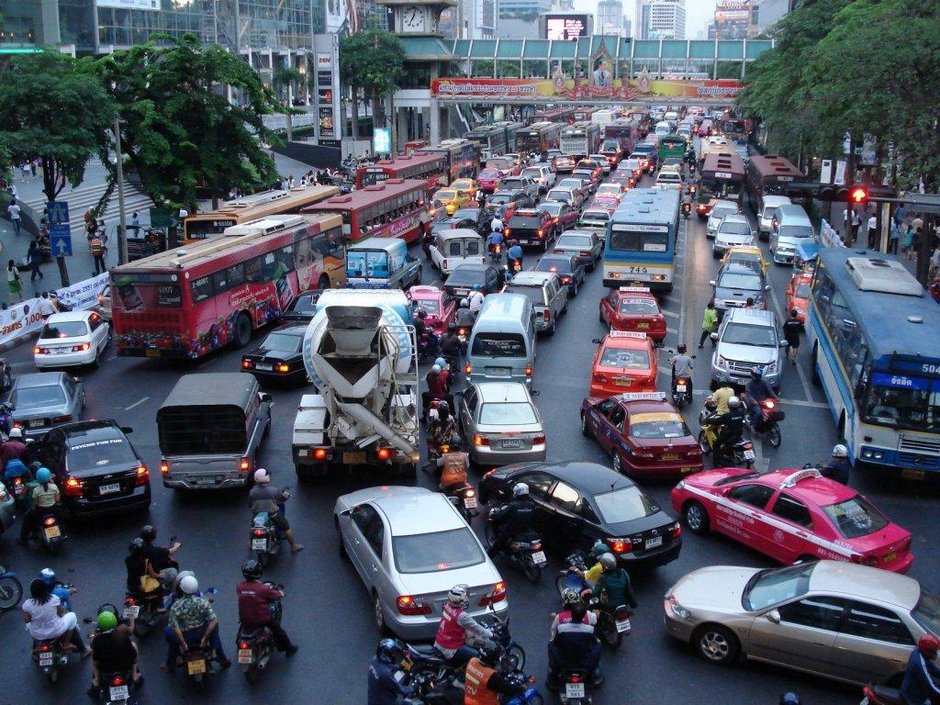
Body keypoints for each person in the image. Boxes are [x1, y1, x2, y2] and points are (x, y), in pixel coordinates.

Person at [162, 574, 230, 672]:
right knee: (214, 624)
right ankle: (219, 656)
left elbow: (174, 627)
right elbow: (214, 621)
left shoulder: (176, 606)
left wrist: (183, 643)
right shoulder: (203, 602)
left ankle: (171, 663)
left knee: (168, 631)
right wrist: (205, 637)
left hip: (185, 636)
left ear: (181, 589)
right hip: (201, 633)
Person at [235, 560, 298, 657]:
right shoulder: (262, 589)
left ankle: (238, 647)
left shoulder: (239, 586)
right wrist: (281, 592)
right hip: (261, 619)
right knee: (278, 630)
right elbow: (276, 595)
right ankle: (289, 648)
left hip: (245, 619)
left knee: (240, 632)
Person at [21, 578, 90, 656]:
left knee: (28, 625)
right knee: (72, 616)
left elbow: (26, 620)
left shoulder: (28, 604)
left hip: (37, 634)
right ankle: (66, 644)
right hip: (56, 631)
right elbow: (61, 612)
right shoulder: (53, 599)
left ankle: (37, 648)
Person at [433, 584, 496, 666]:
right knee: (479, 658)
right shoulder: (461, 616)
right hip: (450, 648)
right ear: (462, 600)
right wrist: (492, 635)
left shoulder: (447, 606)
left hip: (440, 642)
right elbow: (477, 628)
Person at [547, 599, 601, 689]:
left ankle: (553, 676)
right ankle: (595, 672)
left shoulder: (561, 628)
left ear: (571, 614)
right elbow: (595, 643)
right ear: (583, 616)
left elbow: (555, 643)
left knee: (550, 645)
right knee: (598, 645)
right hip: (585, 661)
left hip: (564, 661)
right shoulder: (589, 630)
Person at [249, 468, 304, 552]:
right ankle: (293, 546)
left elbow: (250, 504)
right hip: (272, 515)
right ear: (266, 478)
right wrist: (286, 495)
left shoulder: (252, 492)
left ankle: (250, 543)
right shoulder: (272, 490)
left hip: (258, 515)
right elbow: (282, 498)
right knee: (286, 528)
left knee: (253, 526)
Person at [89, 608, 141, 695]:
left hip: (106, 670)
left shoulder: (97, 640)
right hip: (125, 667)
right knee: (134, 645)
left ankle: (97, 679)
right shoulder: (122, 634)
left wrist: (92, 636)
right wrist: (131, 619)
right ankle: (134, 673)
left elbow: (95, 657)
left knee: (94, 658)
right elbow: (133, 655)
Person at [487, 483, 538, 559]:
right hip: (527, 529)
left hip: (512, 530)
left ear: (517, 492)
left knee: (497, 545)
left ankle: (488, 558)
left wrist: (495, 516)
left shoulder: (513, 505)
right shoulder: (532, 504)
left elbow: (501, 515)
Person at [18, 467, 65, 545]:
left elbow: (35, 504)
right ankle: (62, 530)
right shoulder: (54, 487)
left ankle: (23, 540)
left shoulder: (36, 490)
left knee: (26, 519)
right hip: (54, 510)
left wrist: (33, 509)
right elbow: (58, 500)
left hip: (41, 512)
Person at [368, 638, 415, 705]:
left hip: (374, 698)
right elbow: (399, 689)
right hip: (384, 701)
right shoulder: (384, 674)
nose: (394, 656)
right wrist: (412, 688)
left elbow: (388, 666)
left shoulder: (375, 660)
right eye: (392, 654)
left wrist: (399, 667)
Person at [901, 634, 940, 705]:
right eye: (934, 651)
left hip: (916, 689)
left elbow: (933, 669)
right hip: (913, 698)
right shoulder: (919, 664)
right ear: (928, 651)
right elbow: (931, 685)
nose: (935, 653)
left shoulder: (919, 652)